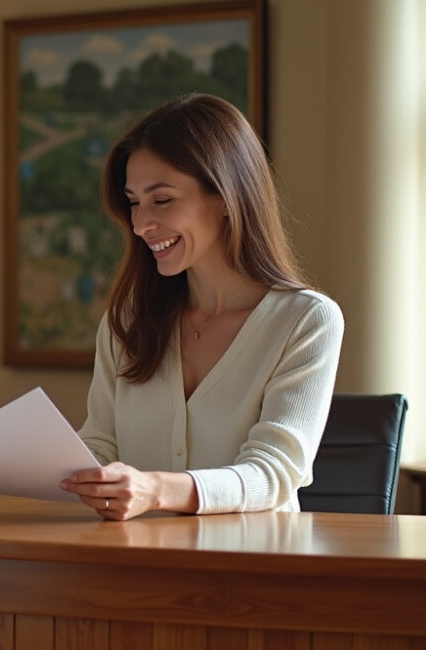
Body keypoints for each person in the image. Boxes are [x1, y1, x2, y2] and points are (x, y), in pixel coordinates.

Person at [59, 94, 344, 520]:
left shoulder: (306, 321)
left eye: (163, 200)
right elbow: (101, 446)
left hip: (255, 572)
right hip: (138, 569)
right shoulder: (127, 321)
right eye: (134, 202)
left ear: (228, 197)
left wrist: (156, 489)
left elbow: (273, 473)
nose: (140, 224)